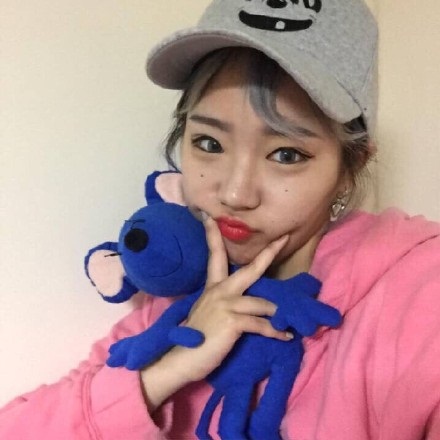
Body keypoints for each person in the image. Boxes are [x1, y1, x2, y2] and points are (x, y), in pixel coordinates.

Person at [1, 0, 440, 439]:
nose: (234, 194)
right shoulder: (176, 299)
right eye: (209, 143)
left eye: (286, 154)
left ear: (349, 168)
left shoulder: (418, 292)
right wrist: (164, 374)